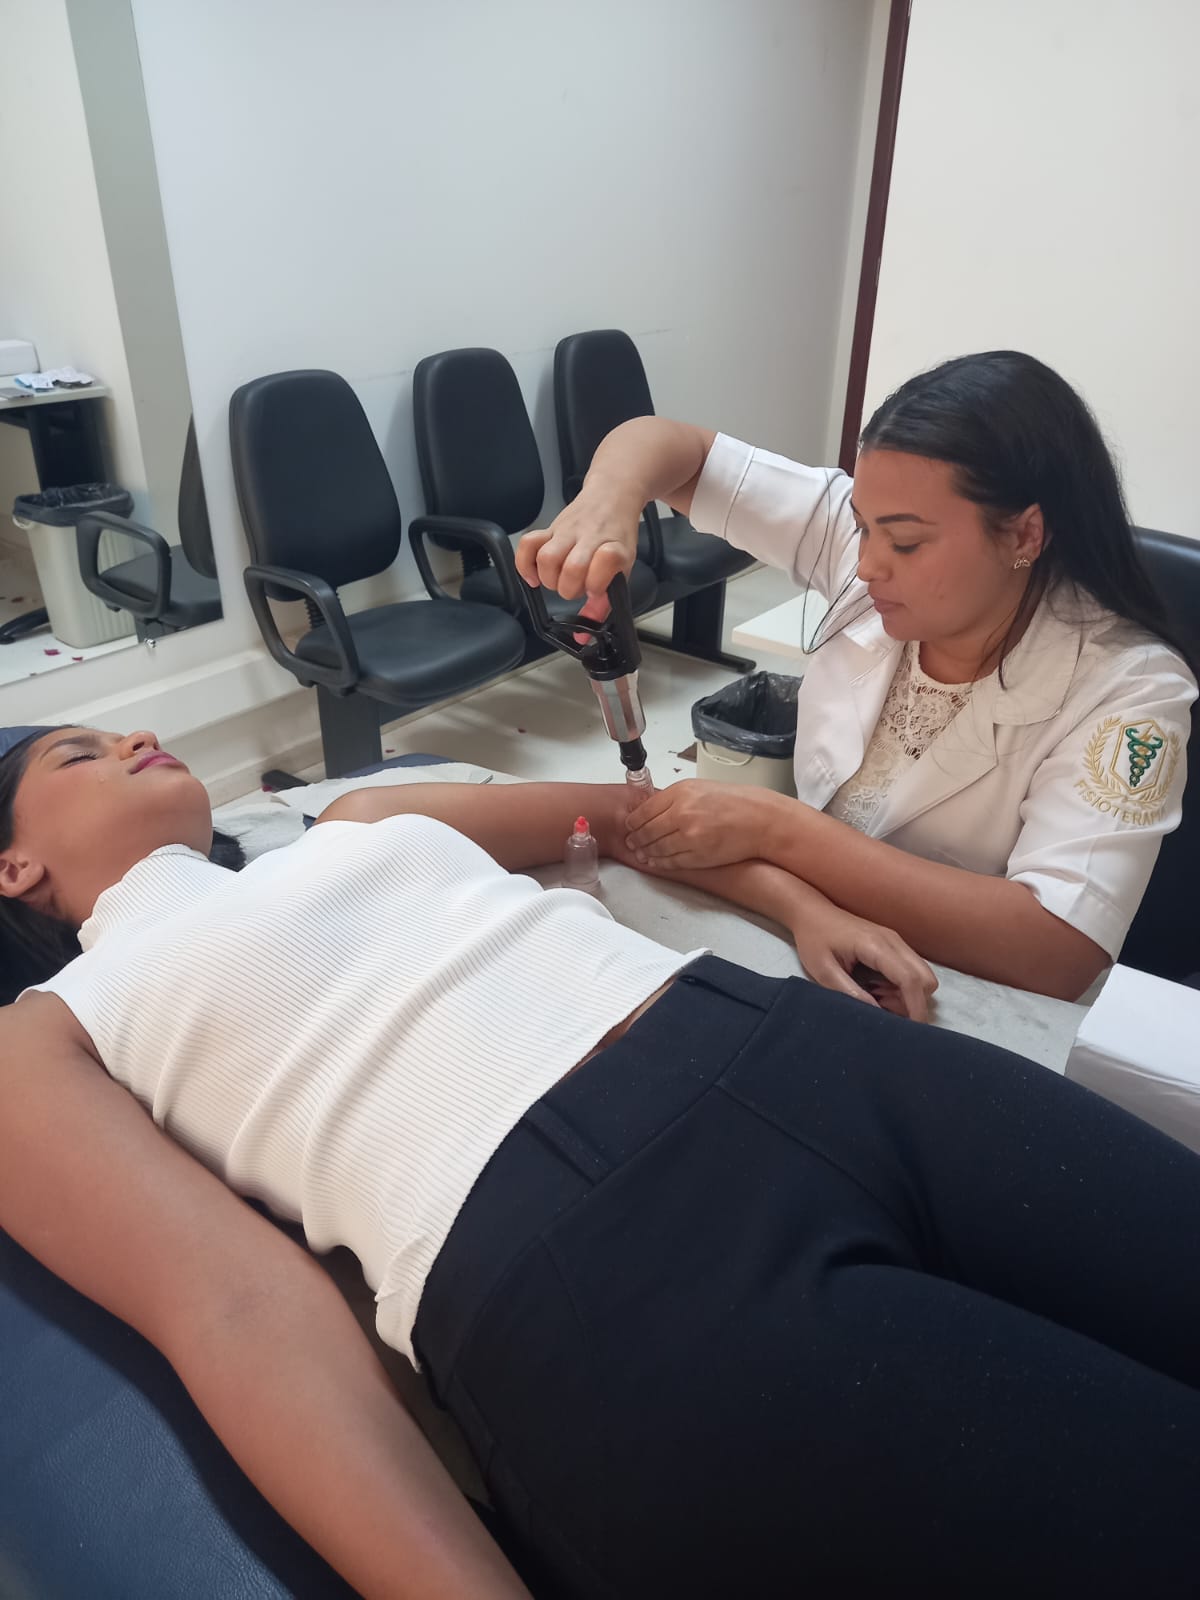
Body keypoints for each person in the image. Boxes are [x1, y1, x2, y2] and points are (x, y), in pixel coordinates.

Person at [2, 722, 1200, 1598]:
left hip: (805, 1053)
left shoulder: (357, 821)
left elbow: (629, 822)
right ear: (13, 870)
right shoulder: (47, 1031)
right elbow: (232, 1309)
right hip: (602, 1273)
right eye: (77, 754)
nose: (137, 733)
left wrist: (798, 905)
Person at [517, 351, 1197, 1001]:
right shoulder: (865, 542)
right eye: (862, 527)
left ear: (1024, 535)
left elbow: (1055, 950)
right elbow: (672, 447)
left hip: (974, 987)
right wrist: (608, 501)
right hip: (813, 927)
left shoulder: (1129, 689)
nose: (868, 565)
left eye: (904, 542)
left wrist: (779, 829)